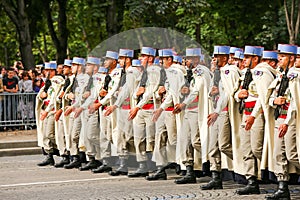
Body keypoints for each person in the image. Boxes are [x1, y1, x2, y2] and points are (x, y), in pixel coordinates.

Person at [172, 48, 212, 184]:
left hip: (196, 110)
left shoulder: (201, 71)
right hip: (189, 110)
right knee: (185, 140)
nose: (186, 61)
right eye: (185, 58)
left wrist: (184, 103)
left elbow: (196, 91)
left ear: (196, 59)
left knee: (196, 141)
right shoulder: (189, 73)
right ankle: (189, 170)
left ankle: (212, 163)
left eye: (188, 58)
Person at [265, 45, 299, 200]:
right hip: (280, 118)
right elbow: (271, 96)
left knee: (293, 154)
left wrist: (287, 121)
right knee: (278, 153)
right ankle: (282, 187)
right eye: (279, 57)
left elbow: (295, 102)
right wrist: (274, 101)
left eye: (283, 57)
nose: (279, 60)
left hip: (290, 120)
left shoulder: (295, 76)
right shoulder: (280, 76)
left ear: (291, 58)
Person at [147, 49, 185, 181]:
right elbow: (159, 91)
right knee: (160, 138)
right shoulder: (165, 73)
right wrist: (158, 93)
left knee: (174, 139)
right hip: (163, 110)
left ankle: (183, 164)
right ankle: (160, 168)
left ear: (170, 59)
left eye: (163, 59)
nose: (160, 61)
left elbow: (173, 93)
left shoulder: (176, 72)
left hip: (171, 110)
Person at [234, 46, 264, 195]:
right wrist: (239, 95)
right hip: (246, 112)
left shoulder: (262, 73)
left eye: (246, 58)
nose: (243, 60)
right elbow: (236, 93)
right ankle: (251, 181)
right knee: (246, 148)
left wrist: (253, 115)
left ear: (255, 59)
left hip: (256, 114)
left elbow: (263, 97)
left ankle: (273, 173)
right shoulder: (246, 74)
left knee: (257, 148)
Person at [127, 47, 161, 178]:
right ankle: (142, 164)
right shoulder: (143, 72)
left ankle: (156, 165)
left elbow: (150, 92)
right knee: (139, 138)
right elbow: (138, 90)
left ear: (151, 58)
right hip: (140, 109)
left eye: (143, 56)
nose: (140, 58)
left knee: (152, 139)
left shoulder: (155, 71)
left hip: (150, 108)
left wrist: (137, 106)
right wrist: (136, 96)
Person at [36, 62, 65, 166]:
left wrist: (47, 110)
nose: (48, 72)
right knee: (44, 135)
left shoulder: (57, 80)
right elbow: (42, 95)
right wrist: (41, 96)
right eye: (46, 70)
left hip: (52, 110)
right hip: (45, 109)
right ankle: (49, 156)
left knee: (50, 134)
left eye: (50, 70)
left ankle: (63, 152)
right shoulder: (47, 82)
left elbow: (54, 98)